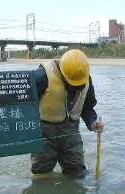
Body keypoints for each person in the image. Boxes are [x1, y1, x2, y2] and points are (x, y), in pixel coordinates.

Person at [31, 49, 104, 179]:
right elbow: (21, 98)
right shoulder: (42, 75)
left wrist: (92, 123)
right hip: (44, 134)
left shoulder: (85, 77)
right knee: (41, 175)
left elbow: (87, 106)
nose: (76, 86)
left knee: (77, 173)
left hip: (71, 134)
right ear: (63, 73)